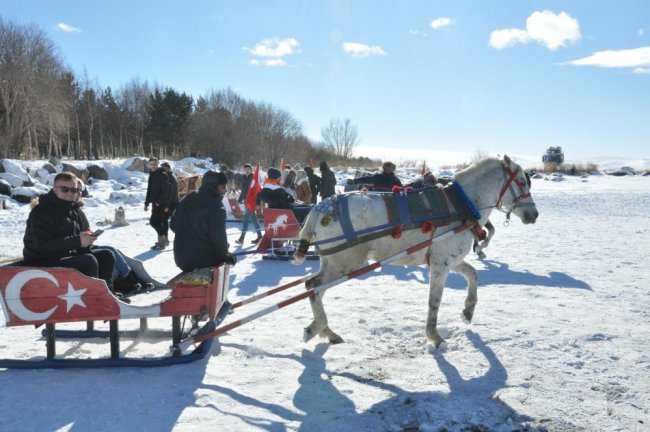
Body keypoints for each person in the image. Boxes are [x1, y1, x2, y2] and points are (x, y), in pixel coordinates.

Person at [22, 172, 116, 292]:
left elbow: (78, 234)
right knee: (88, 261)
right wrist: (78, 241)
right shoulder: (42, 211)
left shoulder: (72, 208)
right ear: (54, 189)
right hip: (41, 260)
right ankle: (94, 297)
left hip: (64, 255)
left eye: (74, 190)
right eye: (64, 189)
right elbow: (42, 245)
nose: (70, 194)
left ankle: (107, 294)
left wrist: (87, 239)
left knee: (106, 255)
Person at [170, 170, 237, 272]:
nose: (224, 191)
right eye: (223, 187)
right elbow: (219, 238)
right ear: (214, 186)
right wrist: (226, 255)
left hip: (181, 259)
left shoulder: (188, 198)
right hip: (203, 260)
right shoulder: (216, 206)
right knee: (230, 258)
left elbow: (173, 225)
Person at [144, 157, 170, 249]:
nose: (153, 166)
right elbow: (149, 190)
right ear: (149, 165)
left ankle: (163, 240)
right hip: (155, 203)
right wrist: (146, 203)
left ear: (158, 164)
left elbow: (166, 191)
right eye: (151, 164)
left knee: (154, 222)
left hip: (161, 203)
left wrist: (160, 202)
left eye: (154, 164)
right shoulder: (152, 174)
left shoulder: (163, 175)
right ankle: (162, 241)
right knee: (157, 222)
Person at [235, 163, 263, 245]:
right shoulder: (243, 177)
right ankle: (260, 236)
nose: (246, 171)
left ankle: (241, 238)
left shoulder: (253, 178)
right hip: (246, 201)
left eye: (248, 169)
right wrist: (240, 198)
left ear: (251, 170)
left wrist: (258, 203)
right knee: (254, 220)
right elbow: (243, 189)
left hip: (251, 201)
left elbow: (257, 191)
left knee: (245, 220)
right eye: (245, 169)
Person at [161, 162, 179, 235]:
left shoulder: (171, 179)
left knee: (174, 223)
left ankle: (179, 238)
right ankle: (165, 239)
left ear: (168, 168)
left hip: (173, 204)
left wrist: (167, 206)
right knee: (164, 221)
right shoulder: (165, 177)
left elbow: (170, 194)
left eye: (163, 168)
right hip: (167, 203)